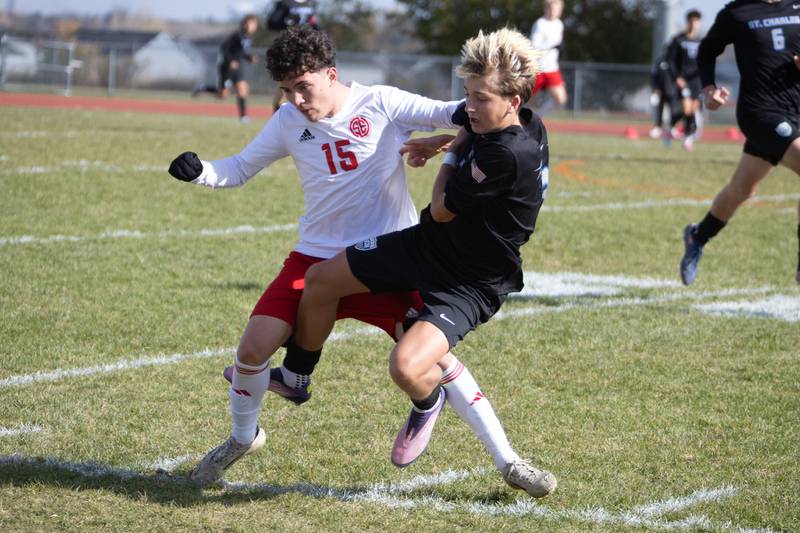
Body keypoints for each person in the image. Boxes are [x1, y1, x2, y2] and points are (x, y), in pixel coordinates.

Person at [169, 25, 479, 487]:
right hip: (314, 258)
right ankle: (241, 438)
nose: (294, 100)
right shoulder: (288, 120)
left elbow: (461, 113)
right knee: (253, 349)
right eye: (285, 90)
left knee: (427, 365)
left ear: (330, 74)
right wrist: (201, 173)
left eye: (303, 87)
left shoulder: (382, 102)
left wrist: (455, 132)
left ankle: (492, 449)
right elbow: (238, 169)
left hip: (385, 259)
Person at [290, 28, 557, 498]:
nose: (469, 108)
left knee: (407, 367)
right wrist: (444, 139)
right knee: (320, 279)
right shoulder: (526, 123)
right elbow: (473, 135)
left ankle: (431, 404)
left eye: (480, 98)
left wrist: (448, 154)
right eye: (467, 96)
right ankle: (296, 375)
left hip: (470, 282)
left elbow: (440, 207)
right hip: (425, 247)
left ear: (513, 99)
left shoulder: (508, 154)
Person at [680, 0, 800, 286]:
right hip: (759, 113)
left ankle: (697, 236)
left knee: (742, 189)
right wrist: (708, 90)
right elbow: (707, 50)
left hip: (796, 110)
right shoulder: (737, 12)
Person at [193, 14, 261, 123]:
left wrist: (249, 58)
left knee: (242, 89)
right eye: (250, 23)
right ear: (244, 24)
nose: (252, 26)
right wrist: (230, 61)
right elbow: (224, 48)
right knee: (222, 95)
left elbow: (240, 52)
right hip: (227, 68)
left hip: (238, 68)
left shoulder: (248, 38)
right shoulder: (236, 35)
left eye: (254, 24)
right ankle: (203, 87)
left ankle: (243, 117)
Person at [266, 0, 320, 113]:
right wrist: (287, 23)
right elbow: (271, 23)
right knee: (287, 79)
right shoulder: (285, 3)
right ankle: (277, 108)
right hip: (289, 46)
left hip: (307, 47)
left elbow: (315, 25)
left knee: (308, 76)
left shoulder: (312, 3)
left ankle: (310, 107)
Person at [666, 9, 703, 151]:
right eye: (692, 21)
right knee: (687, 109)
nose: (695, 24)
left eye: (697, 21)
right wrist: (677, 77)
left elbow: (705, 61)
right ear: (688, 22)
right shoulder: (679, 40)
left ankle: (674, 129)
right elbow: (670, 61)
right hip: (683, 80)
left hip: (697, 81)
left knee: (693, 110)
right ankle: (686, 138)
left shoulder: (701, 41)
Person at [529, 0, 567, 111]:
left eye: (556, 9)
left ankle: (539, 117)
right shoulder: (540, 24)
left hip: (552, 68)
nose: (554, 11)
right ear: (546, 8)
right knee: (528, 100)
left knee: (561, 99)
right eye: (551, 8)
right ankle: (525, 122)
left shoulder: (559, 24)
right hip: (538, 68)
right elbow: (534, 46)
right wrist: (552, 45)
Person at [648, 51, 680, 143]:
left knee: (674, 111)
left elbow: (678, 77)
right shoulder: (659, 62)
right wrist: (655, 88)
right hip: (660, 91)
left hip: (672, 91)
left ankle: (673, 128)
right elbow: (654, 76)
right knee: (659, 111)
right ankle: (657, 128)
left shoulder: (675, 62)